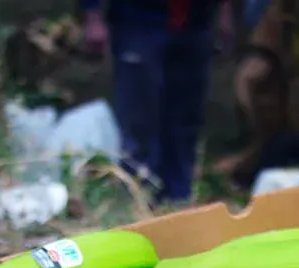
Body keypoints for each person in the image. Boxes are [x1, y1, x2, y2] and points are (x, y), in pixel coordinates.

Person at [81, 0, 234, 205]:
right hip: (138, 21)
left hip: (195, 22)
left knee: (186, 119)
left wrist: (225, 12)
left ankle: (179, 199)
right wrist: (92, 14)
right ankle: (139, 199)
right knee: (138, 120)